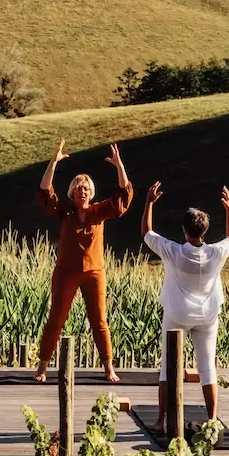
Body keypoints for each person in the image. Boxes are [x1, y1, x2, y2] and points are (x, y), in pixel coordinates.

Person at [33, 140, 133, 383]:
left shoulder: (99, 211)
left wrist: (119, 166)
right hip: (66, 272)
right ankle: (42, 368)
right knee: (56, 318)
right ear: (72, 192)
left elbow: (124, 197)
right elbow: (45, 194)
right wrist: (53, 163)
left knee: (99, 320)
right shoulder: (64, 211)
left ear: (92, 192)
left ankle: (109, 368)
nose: (82, 190)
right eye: (78, 187)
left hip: (94, 273)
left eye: (86, 187)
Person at [141, 181, 229, 432]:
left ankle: (162, 420)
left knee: (168, 368)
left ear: (184, 230)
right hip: (207, 316)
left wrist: (149, 203)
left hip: (177, 314)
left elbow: (147, 232)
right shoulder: (216, 253)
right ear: (204, 232)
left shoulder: (173, 251)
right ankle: (213, 420)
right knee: (207, 367)